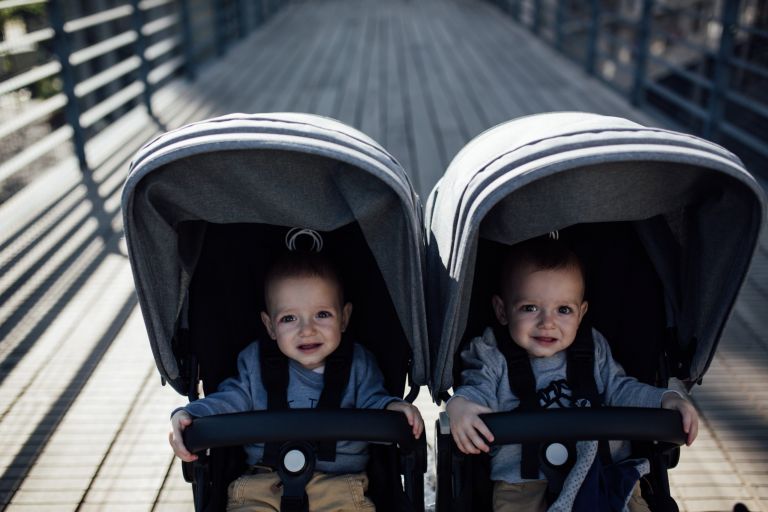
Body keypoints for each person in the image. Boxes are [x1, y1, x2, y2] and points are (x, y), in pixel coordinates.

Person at [446, 236, 698, 512]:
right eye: (530, 308)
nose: (548, 322)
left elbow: (622, 389)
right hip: (524, 486)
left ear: (581, 313)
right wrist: (461, 405)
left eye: (563, 310)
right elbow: (477, 387)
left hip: (606, 475)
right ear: (502, 310)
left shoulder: (592, 348)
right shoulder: (491, 352)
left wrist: (665, 399)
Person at [169, 241, 424, 511]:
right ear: (270, 326)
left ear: (345, 318)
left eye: (322, 314)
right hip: (261, 484)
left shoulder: (359, 364)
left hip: (338, 486)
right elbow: (229, 400)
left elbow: (374, 402)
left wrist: (393, 408)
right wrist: (192, 415)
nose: (307, 329)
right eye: (289, 319)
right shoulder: (254, 364)